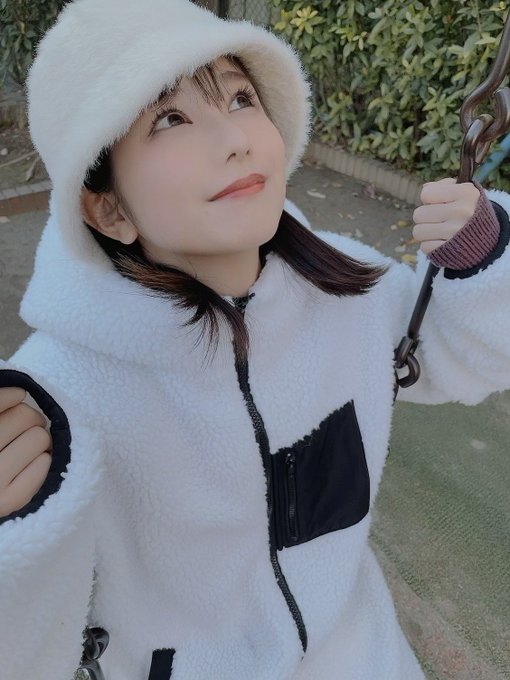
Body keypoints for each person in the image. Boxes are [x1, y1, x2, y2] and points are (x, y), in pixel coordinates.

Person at [0, 0, 509, 678]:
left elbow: (453, 359)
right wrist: (16, 530)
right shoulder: (55, 399)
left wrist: (482, 263)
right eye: (170, 119)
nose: (235, 137)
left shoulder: (344, 287)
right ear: (109, 208)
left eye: (241, 98)